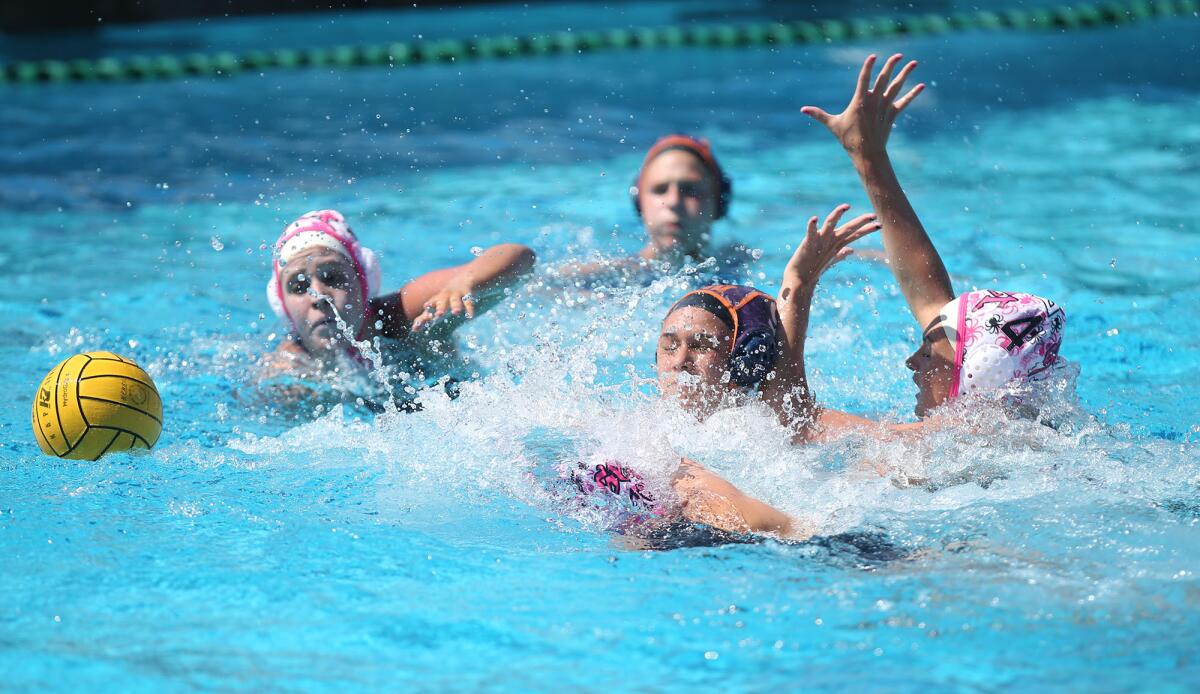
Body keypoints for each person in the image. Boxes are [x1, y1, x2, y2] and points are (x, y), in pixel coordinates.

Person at [262, 209, 535, 388]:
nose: (318, 295)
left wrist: (464, 282)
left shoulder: (400, 315)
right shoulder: (288, 366)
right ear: (282, 305)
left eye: (332, 277)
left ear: (363, 281)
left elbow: (519, 257)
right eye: (298, 286)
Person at [558, 134, 736, 282]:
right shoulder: (616, 273)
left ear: (719, 203)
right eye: (660, 190)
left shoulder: (737, 262)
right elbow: (545, 285)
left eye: (690, 190)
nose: (673, 202)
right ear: (639, 202)